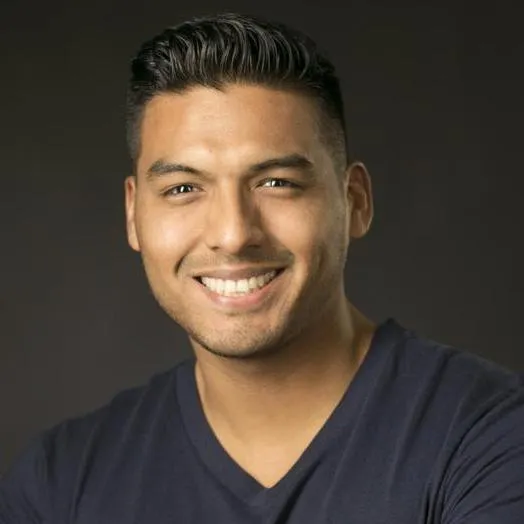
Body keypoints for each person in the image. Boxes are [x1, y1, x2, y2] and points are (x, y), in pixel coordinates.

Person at [1, 12, 523, 523]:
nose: (233, 234)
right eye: (183, 188)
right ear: (134, 214)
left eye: (276, 183)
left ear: (355, 201)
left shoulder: (490, 439)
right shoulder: (60, 482)